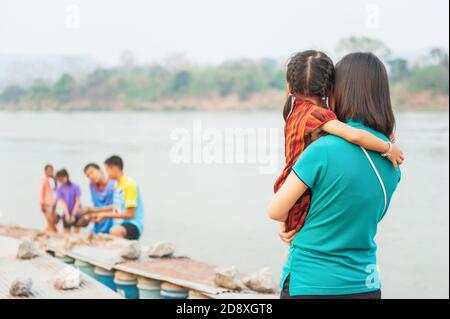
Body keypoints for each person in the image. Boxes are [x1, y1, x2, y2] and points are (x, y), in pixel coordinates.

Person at [269, 52, 402, 299]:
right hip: (366, 286)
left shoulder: (322, 150)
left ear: (337, 90)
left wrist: (288, 221)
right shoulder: (393, 159)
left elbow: (277, 210)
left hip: (312, 285)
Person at [274, 50, 404, 234]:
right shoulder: (318, 116)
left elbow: (276, 210)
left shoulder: (296, 115)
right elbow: (354, 136)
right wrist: (387, 147)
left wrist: (288, 218)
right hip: (303, 198)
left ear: (289, 87)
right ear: (329, 90)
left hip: (293, 191)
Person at [84, 156, 144, 240]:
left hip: (133, 225)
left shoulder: (129, 184)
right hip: (121, 224)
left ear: (115, 168)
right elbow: (117, 208)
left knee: (114, 231)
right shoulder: (117, 185)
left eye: (107, 170)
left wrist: (105, 215)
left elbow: (130, 214)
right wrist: (97, 214)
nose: (107, 173)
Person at [82, 163, 115, 234]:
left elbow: (118, 207)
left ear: (100, 170)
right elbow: (96, 205)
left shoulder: (113, 183)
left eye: (92, 172)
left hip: (114, 223)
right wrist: (89, 216)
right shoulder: (92, 186)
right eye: (88, 175)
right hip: (98, 225)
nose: (91, 176)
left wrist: (93, 210)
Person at [55, 169, 82, 234]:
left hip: (76, 212)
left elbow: (77, 201)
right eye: (59, 180)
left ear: (66, 176)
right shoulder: (60, 189)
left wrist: (73, 214)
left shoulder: (75, 186)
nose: (61, 181)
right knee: (66, 233)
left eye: (62, 178)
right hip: (66, 212)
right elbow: (63, 203)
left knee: (76, 233)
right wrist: (67, 215)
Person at [39, 164, 57, 234]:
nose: (50, 172)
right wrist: (41, 204)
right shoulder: (44, 180)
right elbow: (41, 192)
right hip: (46, 203)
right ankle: (51, 232)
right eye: (48, 171)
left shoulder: (53, 180)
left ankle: (50, 231)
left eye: (51, 170)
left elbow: (56, 192)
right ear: (45, 171)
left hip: (53, 203)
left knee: (53, 220)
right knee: (50, 221)